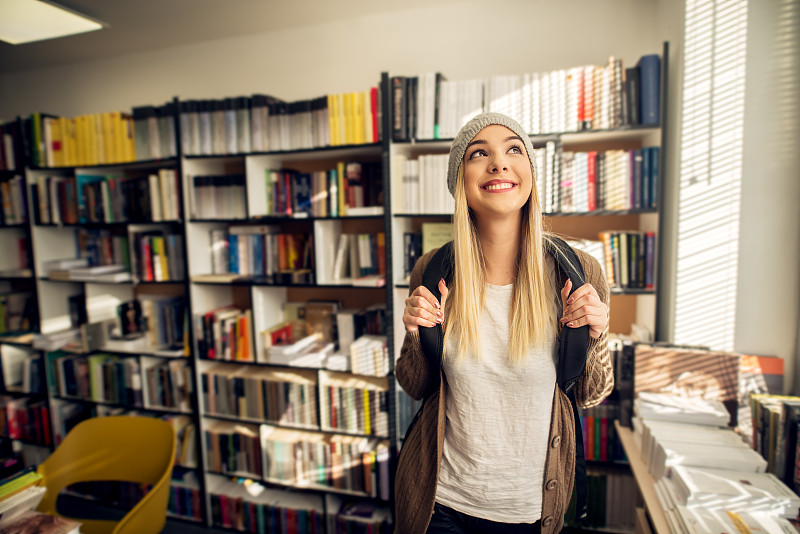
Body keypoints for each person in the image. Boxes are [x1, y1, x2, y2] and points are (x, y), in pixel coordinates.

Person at [394, 112, 613, 534]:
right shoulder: (432, 268)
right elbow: (414, 384)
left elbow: (590, 394)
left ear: (530, 172)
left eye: (514, 149)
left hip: (530, 508)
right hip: (439, 501)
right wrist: (414, 334)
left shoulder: (580, 270)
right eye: (480, 153)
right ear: (461, 180)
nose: (499, 163)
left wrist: (597, 338)